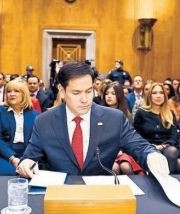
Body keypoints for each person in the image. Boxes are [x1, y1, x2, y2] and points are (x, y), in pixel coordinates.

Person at [17, 62, 169, 177]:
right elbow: (30, 156)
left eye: (89, 91)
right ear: (62, 92)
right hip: (60, 195)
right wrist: (26, 163)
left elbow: (139, 146)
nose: (84, 99)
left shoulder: (113, 119)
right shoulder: (44, 121)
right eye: (76, 93)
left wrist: (152, 155)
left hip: (100, 194)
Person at [0, 80, 38, 175]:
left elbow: (36, 141)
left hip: (26, 154)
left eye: (16, 91)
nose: (12, 94)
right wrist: (12, 158)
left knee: (32, 172)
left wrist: (27, 159)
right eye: (9, 91)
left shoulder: (35, 115)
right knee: (10, 173)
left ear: (24, 94)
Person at [134, 83, 180, 174]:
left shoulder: (170, 113)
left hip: (167, 148)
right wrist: (151, 147)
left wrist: (161, 146)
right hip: (147, 148)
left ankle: (166, 183)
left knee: (172, 153)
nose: (158, 96)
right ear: (150, 95)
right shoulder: (141, 113)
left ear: (165, 96)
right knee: (177, 164)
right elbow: (136, 136)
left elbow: (174, 136)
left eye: (161, 93)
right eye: (154, 93)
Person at [101, 82, 142, 175]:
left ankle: (131, 188)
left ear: (119, 95)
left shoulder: (127, 114)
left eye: (113, 93)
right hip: (104, 151)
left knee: (126, 167)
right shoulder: (99, 114)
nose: (109, 96)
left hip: (123, 150)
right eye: (107, 94)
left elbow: (129, 138)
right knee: (114, 167)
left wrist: (120, 151)